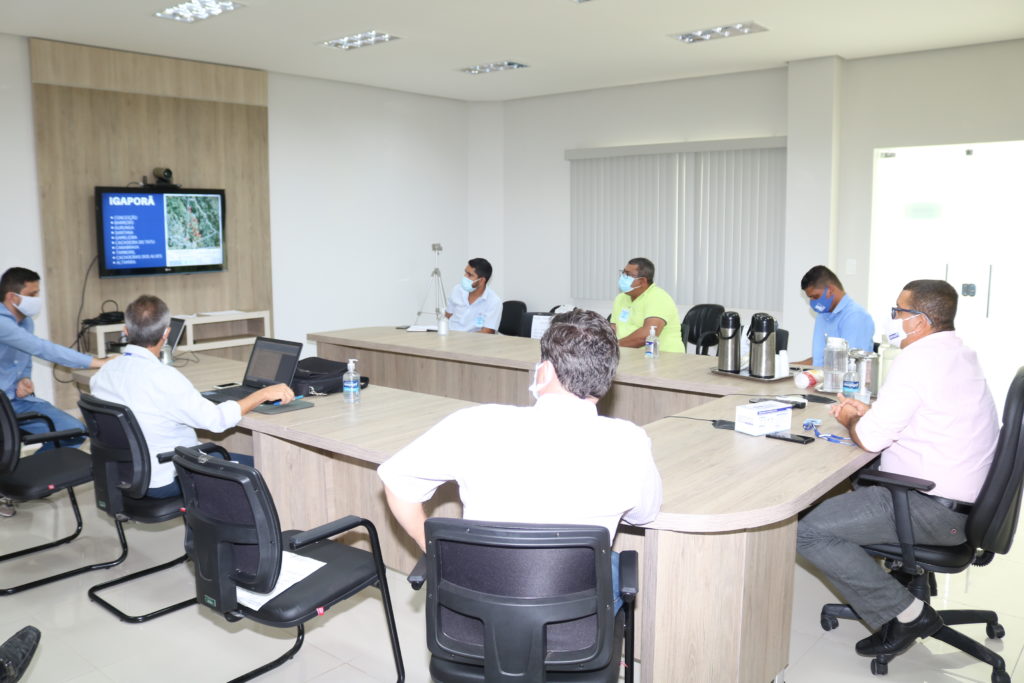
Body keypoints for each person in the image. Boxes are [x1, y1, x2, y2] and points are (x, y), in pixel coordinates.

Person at [378, 309, 662, 608]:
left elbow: (396, 480)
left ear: (545, 371)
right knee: (612, 565)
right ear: (606, 378)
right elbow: (644, 515)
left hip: (476, 609)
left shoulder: (474, 423)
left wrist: (437, 554)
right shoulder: (630, 441)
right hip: (574, 620)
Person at [797, 279, 999, 659]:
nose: (894, 319)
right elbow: (927, 415)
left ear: (919, 320)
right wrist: (871, 414)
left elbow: (869, 440)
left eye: (898, 312)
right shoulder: (960, 354)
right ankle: (898, 587)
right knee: (857, 482)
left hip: (931, 509)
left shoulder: (917, 359)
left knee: (808, 530)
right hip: (969, 504)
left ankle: (907, 614)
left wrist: (848, 418)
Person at [90, 295, 294, 498]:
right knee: (267, 466)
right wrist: (262, 394)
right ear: (166, 333)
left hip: (123, 475)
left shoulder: (103, 374)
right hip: (167, 475)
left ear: (125, 331)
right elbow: (216, 421)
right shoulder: (164, 378)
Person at [1, 268, 107, 517]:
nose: (37, 299)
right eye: (32, 294)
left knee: (75, 431)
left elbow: (25, 355)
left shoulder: (25, 321)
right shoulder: (2, 322)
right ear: (12, 297)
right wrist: (96, 362)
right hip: (2, 405)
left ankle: (18, 479)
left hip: (19, 401)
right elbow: (42, 349)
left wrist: (25, 377)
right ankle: (8, 485)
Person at [798, 265, 875, 365]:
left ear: (830, 290)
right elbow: (819, 361)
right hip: (823, 374)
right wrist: (787, 367)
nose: (812, 302)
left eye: (815, 296)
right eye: (810, 298)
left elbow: (852, 364)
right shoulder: (822, 315)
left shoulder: (856, 317)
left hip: (844, 375)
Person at [611, 257, 684, 352]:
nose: (622, 277)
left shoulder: (658, 297)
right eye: (623, 273)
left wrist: (613, 346)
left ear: (642, 281)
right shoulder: (620, 298)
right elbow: (613, 328)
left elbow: (647, 335)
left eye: (627, 275)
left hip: (663, 356)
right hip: (628, 354)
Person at [445, 258, 502, 333]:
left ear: (481, 280)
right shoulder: (457, 289)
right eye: (466, 272)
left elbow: (487, 331)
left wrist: (463, 338)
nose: (465, 276)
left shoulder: (494, 301)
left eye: (470, 275)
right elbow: (448, 315)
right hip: (450, 335)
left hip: (473, 339)